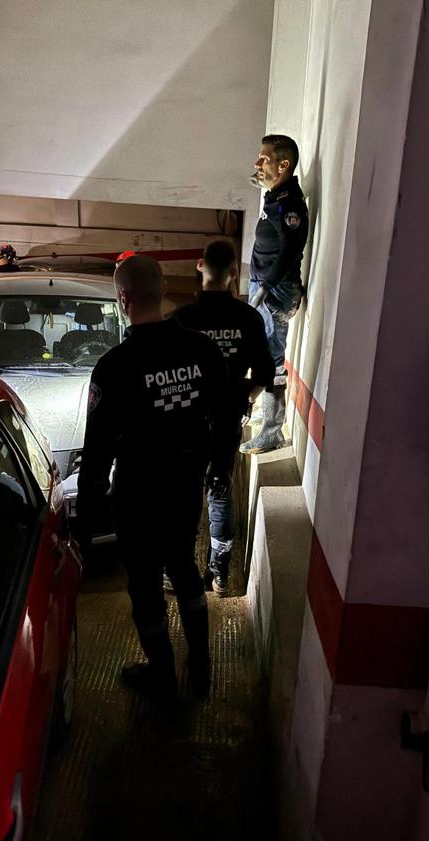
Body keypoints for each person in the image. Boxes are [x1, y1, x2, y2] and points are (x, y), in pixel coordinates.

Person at [76, 255, 231, 697]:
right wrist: (220, 467)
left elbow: (97, 453)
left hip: (138, 495)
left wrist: (87, 523)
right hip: (185, 485)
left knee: (145, 584)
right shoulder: (203, 351)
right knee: (184, 567)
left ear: (123, 300)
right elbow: (227, 416)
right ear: (164, 291)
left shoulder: (114, 366)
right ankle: (201, 671)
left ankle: (162, 674)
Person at [172, 240, 274, 595]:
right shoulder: (248, 318)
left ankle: (179, 572)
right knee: (219, 489)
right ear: (234, 274)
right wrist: (243, 400)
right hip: (227, 418)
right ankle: (219, 573)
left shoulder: (181, 320)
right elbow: (263, 372)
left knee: (185, 493)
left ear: (200, 266)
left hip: (185, 422)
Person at [240, 134, 309, 455]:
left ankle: (272, 431)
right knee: (262, 354)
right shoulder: (276, 195)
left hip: (275, 289)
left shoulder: (290, 204)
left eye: (263, 159)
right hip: (264, 283)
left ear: (283, 164)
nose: (257, 163)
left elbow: (291, 249)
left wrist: (266, 288)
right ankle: (266, 418)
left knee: (272, 360)